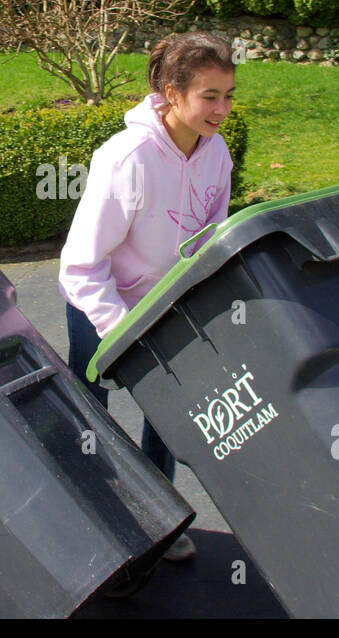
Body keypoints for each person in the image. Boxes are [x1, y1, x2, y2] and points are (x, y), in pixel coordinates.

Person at [59, 31, 236, 564]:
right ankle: (92, 518)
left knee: (167, 412)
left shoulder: (217, 150)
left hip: (166, 305)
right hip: (101, 305)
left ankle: (159, 520)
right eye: (210, 96)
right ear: (170, 92)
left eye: (229, 96)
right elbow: (83, 264)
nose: (222, 110)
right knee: (92, 414)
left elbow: (212, 232)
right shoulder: (126, 159)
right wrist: (120, 328)